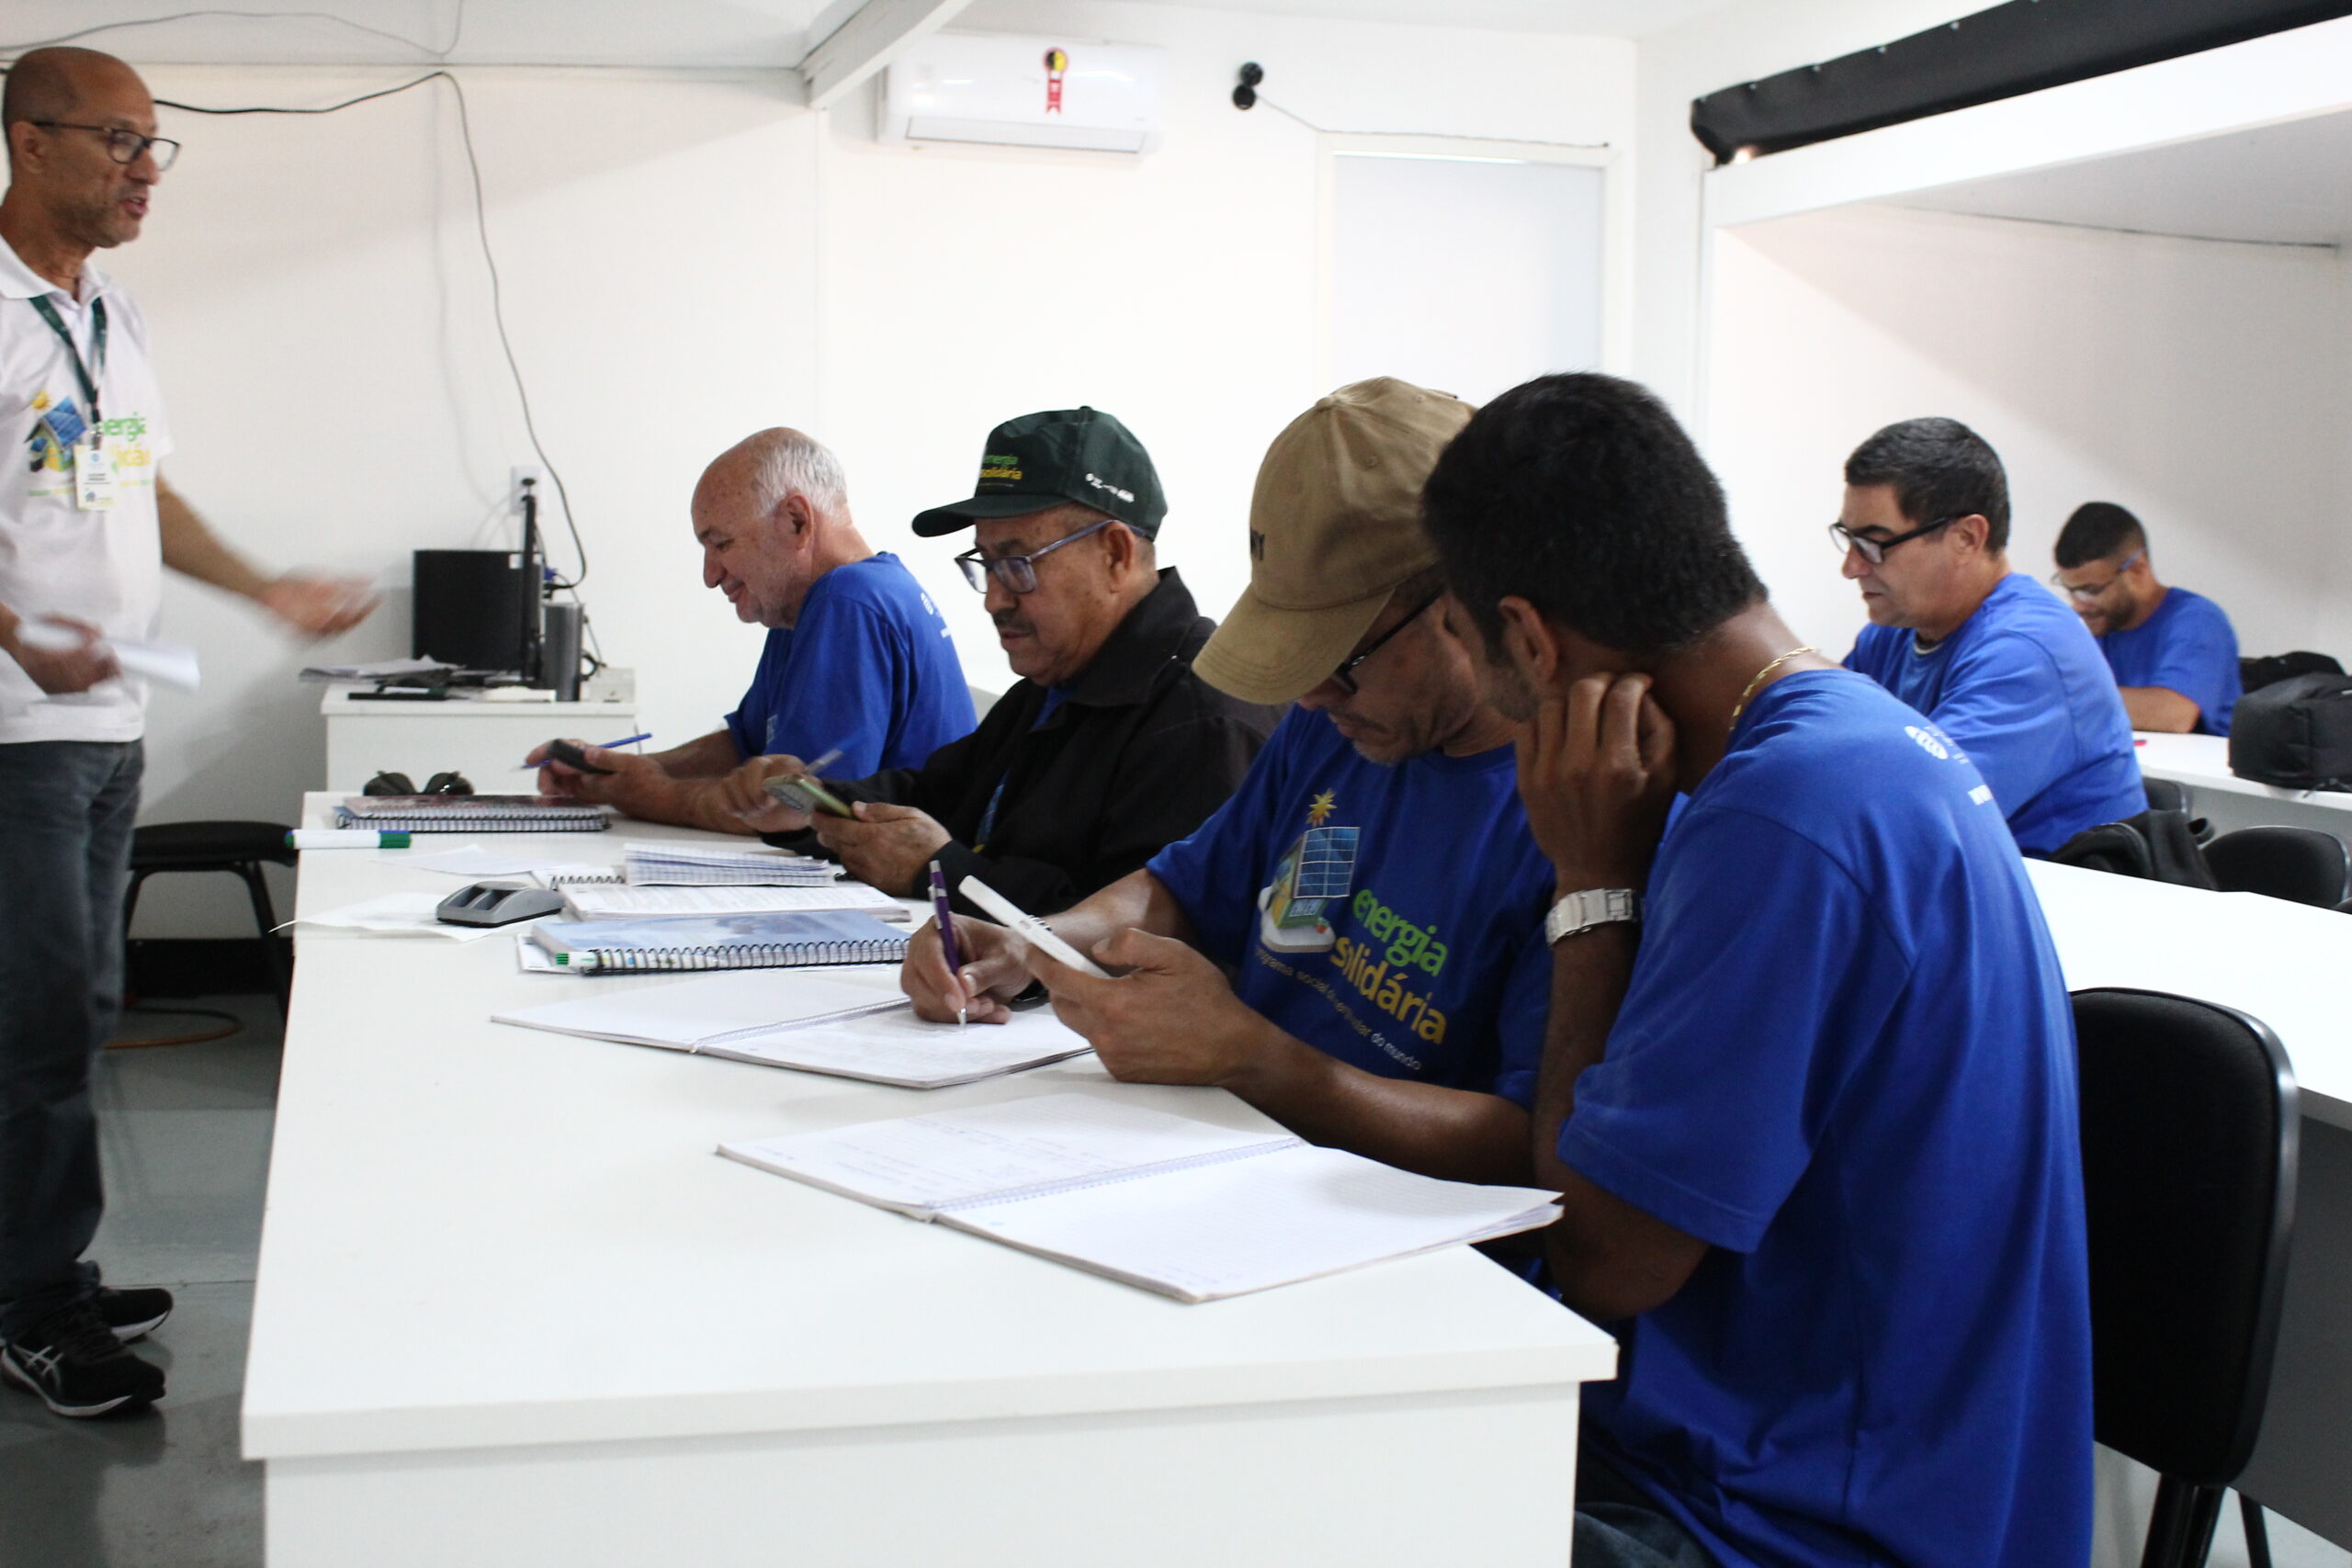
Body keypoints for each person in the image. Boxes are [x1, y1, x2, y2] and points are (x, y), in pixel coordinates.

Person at [1420, 372, 2092, 1568]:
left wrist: (1592, 882)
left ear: (1528, 636)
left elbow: (1608, 1259)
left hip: (1797, 1523)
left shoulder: (1782, 814)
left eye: (1469, 646)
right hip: (1807, 1456)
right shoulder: (1827, 748)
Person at [894, 379, 1555, 1187]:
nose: (1309, 696)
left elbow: (1531, 1150)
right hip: (1221, 1157)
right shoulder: (1336, 724)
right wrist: (1033, 940)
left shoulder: (1575, 815)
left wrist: (1256, 1060)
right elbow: (1180, 886)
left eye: (1340, 657)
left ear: (1469, 604)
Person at [0, 48, 378, 1418]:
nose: (146, 169)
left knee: (82, 1006)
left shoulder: (112, 317)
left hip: (107, 719)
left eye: (156, 143)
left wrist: (262, 585)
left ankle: (44, 1266)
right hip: (16, 731)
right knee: (39, 1018)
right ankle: (31, 1305)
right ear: (29, 141)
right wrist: (13, 631)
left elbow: (139, 490)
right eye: (118, 140)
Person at [724, 406, 1277, 914]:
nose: (994, 599)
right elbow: (936, 795)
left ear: (1114, 554)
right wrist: (812, 803)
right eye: (986, 564)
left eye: (1018, 564)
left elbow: (1143, 931)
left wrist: (943, 873)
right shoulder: (1055, 682)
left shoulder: (1201, 720)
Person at [529, 427, 972, 830]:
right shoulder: (807, 604)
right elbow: (745, 747)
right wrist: (611, 770)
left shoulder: (849, 599)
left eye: (721, 544)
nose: (710, 575)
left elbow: (796, 809)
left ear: (797, 521)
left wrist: (647, 794)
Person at [1836, 417, 2141, 855]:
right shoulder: (1890, 636)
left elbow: (1908, 813)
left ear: (1966, 538)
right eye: (1848, 540)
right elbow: (1825, 750)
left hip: (2059, 890)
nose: (1851, 567)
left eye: (1873, 544)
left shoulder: (2027, 651)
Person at [2052, 501, 2241, 736]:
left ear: (2137, 569)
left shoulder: (2199, 621)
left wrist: (2060, 699)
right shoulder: (2100, 628)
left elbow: (2173, 714)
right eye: (2071, 590)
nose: (2078, 606)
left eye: (2091, 590)